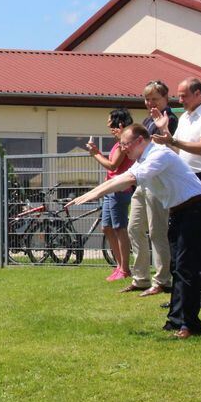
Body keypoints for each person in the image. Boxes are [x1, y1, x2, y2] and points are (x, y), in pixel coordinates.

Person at [69, 124, 201, 339]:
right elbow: (119, 177)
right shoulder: (144, 159)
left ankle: (190, 325)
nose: (123, 149)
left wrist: (95, 195)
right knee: (177, 268)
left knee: (186, 268)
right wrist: (92, 192)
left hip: (194, 210)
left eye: (126, 144)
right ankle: (175, 320)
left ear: (141, 141)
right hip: (180, 212)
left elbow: (129, 180)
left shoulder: (159, 155)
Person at [151, 77, 201, 306]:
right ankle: (183, 294)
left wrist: (173, 140)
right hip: (186, 178)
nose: (179, 99)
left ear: (198, 94)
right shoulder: (184, 117)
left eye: (183, 95)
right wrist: (166, 137)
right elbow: (178, 148)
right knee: (181, 237)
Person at [86, 109, 135, 282]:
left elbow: (113, 166)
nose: (109, 127)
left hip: (119, 190)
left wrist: (95, 154)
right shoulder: (118, 143)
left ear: (119, 124)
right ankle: (119, 266)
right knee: (106, 227)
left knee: (119, 228)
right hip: (111, 190)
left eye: (111, 124)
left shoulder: (123, 144)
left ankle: (125, 268)